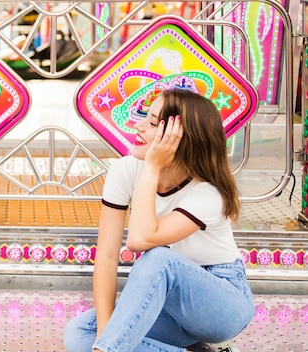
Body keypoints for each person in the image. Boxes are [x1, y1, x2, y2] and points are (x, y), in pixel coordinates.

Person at [63, 87, 254, 352]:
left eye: (153, 123)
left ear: (180, 140)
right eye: (144, 117)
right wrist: (107, 335)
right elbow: (106, 256)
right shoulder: (125, 169)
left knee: (158, 259)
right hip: (168, 307)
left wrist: (152, 166)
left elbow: (140, 240)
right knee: (82, 332)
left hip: (221, 303)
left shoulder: (209, 193)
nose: (138, 126)